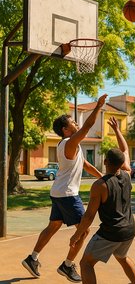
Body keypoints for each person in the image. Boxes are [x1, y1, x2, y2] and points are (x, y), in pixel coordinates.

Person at [22, 94, 108, 282]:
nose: (76, 124)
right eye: (72, 123)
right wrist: (98, 107)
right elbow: (86, 127)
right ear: (65, 130)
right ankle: (67, 265)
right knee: (84, 231)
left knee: (53, 226)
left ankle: (32, 258)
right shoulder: (69, 143)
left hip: (58, 193)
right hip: (68, 194)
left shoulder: (71, 146)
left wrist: (103, 177)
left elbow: (85, 164)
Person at [70, 117, 135, 284]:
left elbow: (88, 216)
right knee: (122, 257)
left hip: (111, 233)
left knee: (85, 263)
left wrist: (76, 235)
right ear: (122, 163)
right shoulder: (127, 174)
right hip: (130, 229)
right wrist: (117, 130)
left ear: (106, 162)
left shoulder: (100, 185)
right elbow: (126, 150)